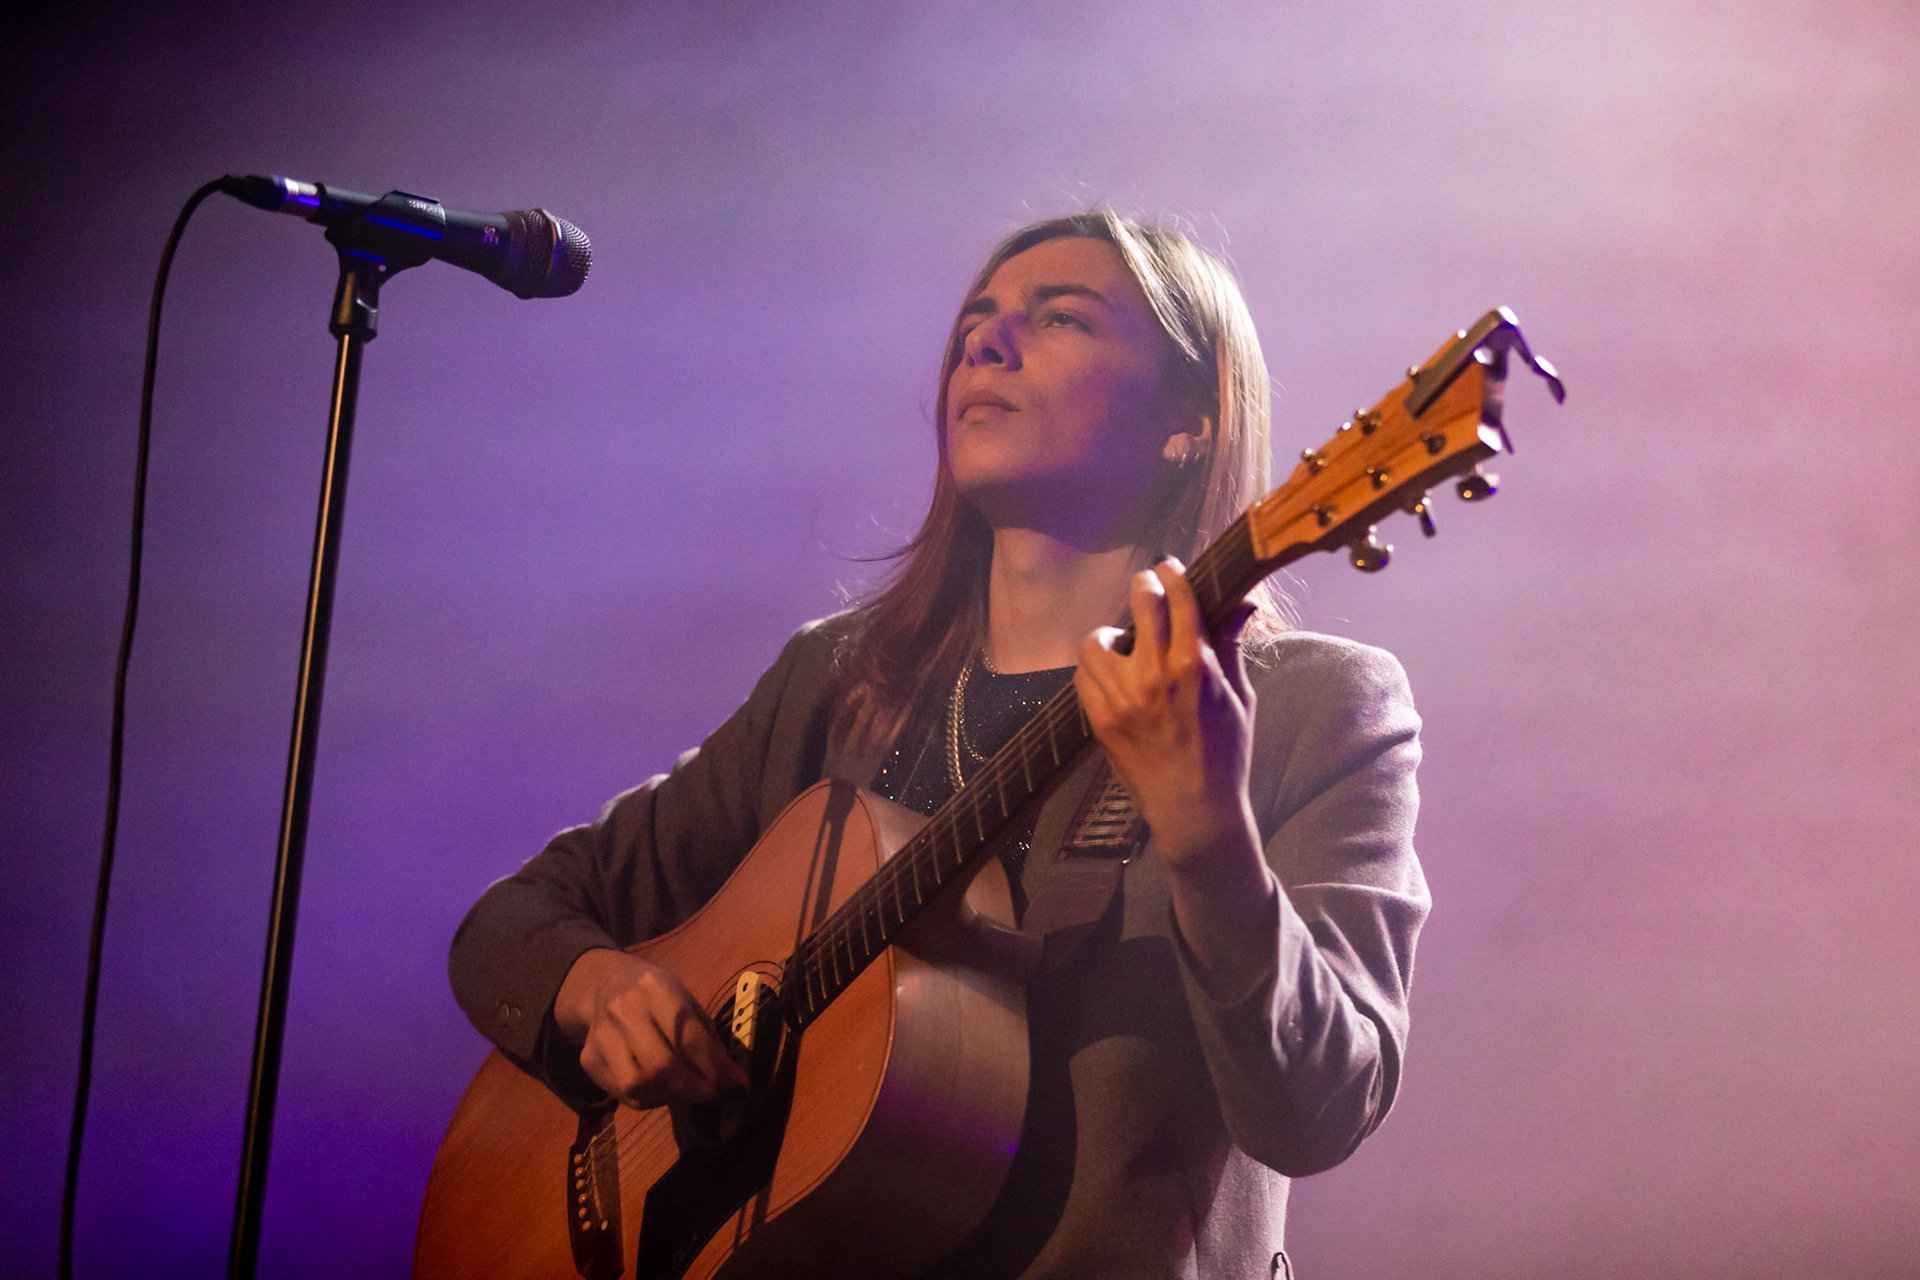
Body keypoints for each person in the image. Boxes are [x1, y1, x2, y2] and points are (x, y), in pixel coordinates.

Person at [449, 212, 1428, 1278]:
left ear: (1188, 420)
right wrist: (595, 988)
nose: (986, 344)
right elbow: (508, 923)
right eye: (976, 322)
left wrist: (1209, 839)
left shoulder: (1309, 708)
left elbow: (1321, 1108)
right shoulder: (836, 685)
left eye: (1060, 318)